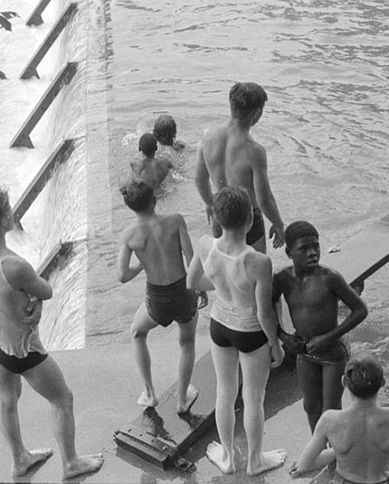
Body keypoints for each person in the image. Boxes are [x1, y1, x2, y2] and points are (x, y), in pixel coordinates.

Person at [0, 190, 103, 479]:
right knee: (63, 399)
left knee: (7, 399)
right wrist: (37, 301)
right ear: (4, 219)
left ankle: (19, 459)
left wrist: (34, 300)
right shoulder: (13, 265)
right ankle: (71, 463)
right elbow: (46, 290)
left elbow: (13, 292)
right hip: (22, 348)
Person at [186, 186, 287, 475]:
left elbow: (193, 282)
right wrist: (276, 344)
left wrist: (220, 284)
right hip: (250, 331)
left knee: (225, 391)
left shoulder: (206, 244)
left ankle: (228, 457)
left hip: (220, 326)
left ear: (217, 219)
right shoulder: (258, 262)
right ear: (248, 222)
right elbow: (264, 312)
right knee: (254, 396)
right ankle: (255, 461)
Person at [290, 351, 389, 484]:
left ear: (344, 382)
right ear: (382, 383)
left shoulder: (330, 420)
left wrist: (339, 450)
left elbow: (303, 466)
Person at [273, 220, 368, 433]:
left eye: (316, 246)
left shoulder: (329, 278)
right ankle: (319, 452)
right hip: (305, 353)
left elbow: (360, 310)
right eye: (304, 249)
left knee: (331, 410)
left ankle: (335, 458)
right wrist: (283, 336)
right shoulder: (281, 279)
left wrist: (328, 338)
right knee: (310, 406)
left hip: (333, 353)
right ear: (289, 252)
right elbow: (267, 307)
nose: (313, 253)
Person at [117, 180, 203, 412]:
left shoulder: (129, 235)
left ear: (131, 208)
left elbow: (122, 275)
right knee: (187, 341)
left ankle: (149, 393)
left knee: (137, 332)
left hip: (157, 300)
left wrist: (142, 265)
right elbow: (191, 257)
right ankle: (182, 400)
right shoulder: (175, 220)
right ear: (154, 200)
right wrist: (200, 287)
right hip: (184, 291)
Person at [194, 81, 285, 254]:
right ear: (257, 113)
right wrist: (278, 223)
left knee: (223, 269)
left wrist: (210, 203)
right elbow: (264, 199)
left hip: (221, 215)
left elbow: (199, 179)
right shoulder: (254, 150)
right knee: (254, 269)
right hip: (247, 218)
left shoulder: (208, 137)